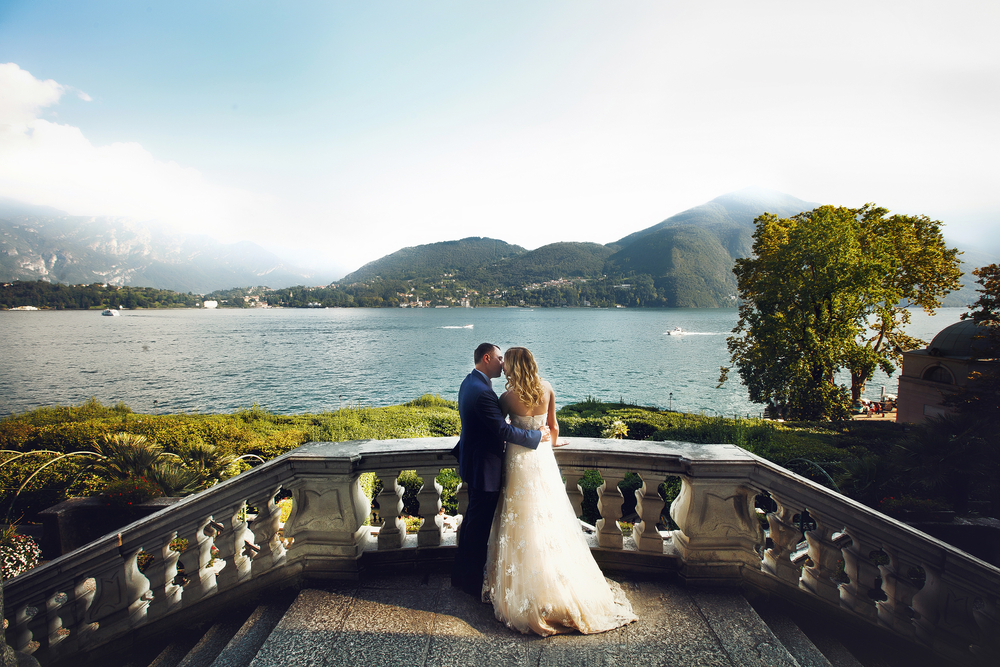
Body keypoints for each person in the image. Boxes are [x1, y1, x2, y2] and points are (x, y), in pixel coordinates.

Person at [484, 347, 636, 636]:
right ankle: (560, 584)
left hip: (517, 461)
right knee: (549, 518)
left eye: (506, 363)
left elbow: (500, 431)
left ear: (514, 367)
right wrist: (551, 442)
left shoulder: (506, 398)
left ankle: (528, 588)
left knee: (520, 521)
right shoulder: (548, 388)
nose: (502, 366)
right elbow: (552, 428)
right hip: (542, 459)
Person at [450, 343, 546, 598]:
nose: (503, 364)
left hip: (475, 462)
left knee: (472, 522)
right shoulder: (482, 392)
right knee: (478, 528)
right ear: (486, 358)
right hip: (485, 469)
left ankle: (460, 576)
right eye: (499, 358)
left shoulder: (470, 382)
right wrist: (536, 436)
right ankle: (470, 584)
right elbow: (502, 430)